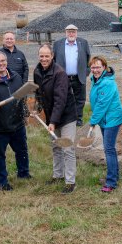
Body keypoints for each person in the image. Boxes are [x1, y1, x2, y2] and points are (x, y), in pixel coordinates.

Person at [34, 44, 79, 194]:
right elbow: (39, 93)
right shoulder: (37, 71)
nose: (44, 59)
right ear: (38, 56)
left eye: (47, 56)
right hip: (52, 115)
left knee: (67, 147)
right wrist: (37, 107)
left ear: (52, 56)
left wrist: (53, 122)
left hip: (66, 116)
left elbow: (60, 100)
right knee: (55, 146)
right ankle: (58, 175)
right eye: (42, 56)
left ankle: (70, 181)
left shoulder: (60, 73)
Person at [0, 51, 31, 192]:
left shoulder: (16, 77)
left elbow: (21, 97)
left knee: (22, 150)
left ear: (6, 62)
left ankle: (23, 173)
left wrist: (25, 114)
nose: (0, 64)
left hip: (17, 123)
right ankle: (2, 181)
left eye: (2, 61)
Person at [87, 55, 122, 193]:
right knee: (110, 148)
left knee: (109, 149)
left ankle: (111, 182)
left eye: (98, 67)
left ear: (104, 67)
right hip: (105, 119)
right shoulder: (96, 79)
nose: (95, 69)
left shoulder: (107, 83)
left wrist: (93, 121)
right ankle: (114, 176)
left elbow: (102, 104)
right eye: (93, 67)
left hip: (112, 119)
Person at [53, 24, 92, 126]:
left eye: (73, 32)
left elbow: (88, 58)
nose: (71, 34)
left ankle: (78, 119)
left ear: (76, 33)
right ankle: (65, 119)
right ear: (65, 32)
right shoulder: (58, 44)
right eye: (69, 31)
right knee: (63, 98)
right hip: (63, 78)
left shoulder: (83, 43)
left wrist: (86, 72)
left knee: (80, 99)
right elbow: (53, 59)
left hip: (78, 77)